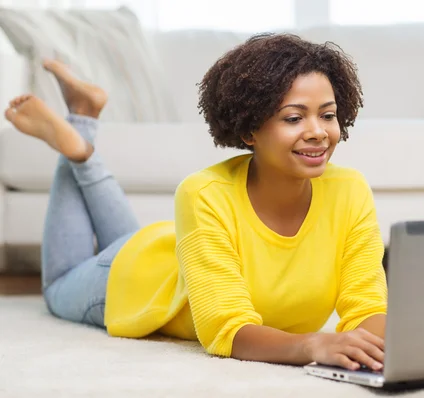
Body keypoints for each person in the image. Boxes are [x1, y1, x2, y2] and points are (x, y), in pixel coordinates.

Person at [4, 33, 387, 372]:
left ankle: (83, 119)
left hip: (172, 253)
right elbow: (225, 330)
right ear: (249, 129)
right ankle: (77, 142)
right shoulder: (203, 192)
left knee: (129, 241)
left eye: (328, 115)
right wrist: (310, 343)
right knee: (56, 290)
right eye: (293, 118)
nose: (318, 132)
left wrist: (379, 353)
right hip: (133, 279)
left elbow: (367, 305)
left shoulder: (350, 189)